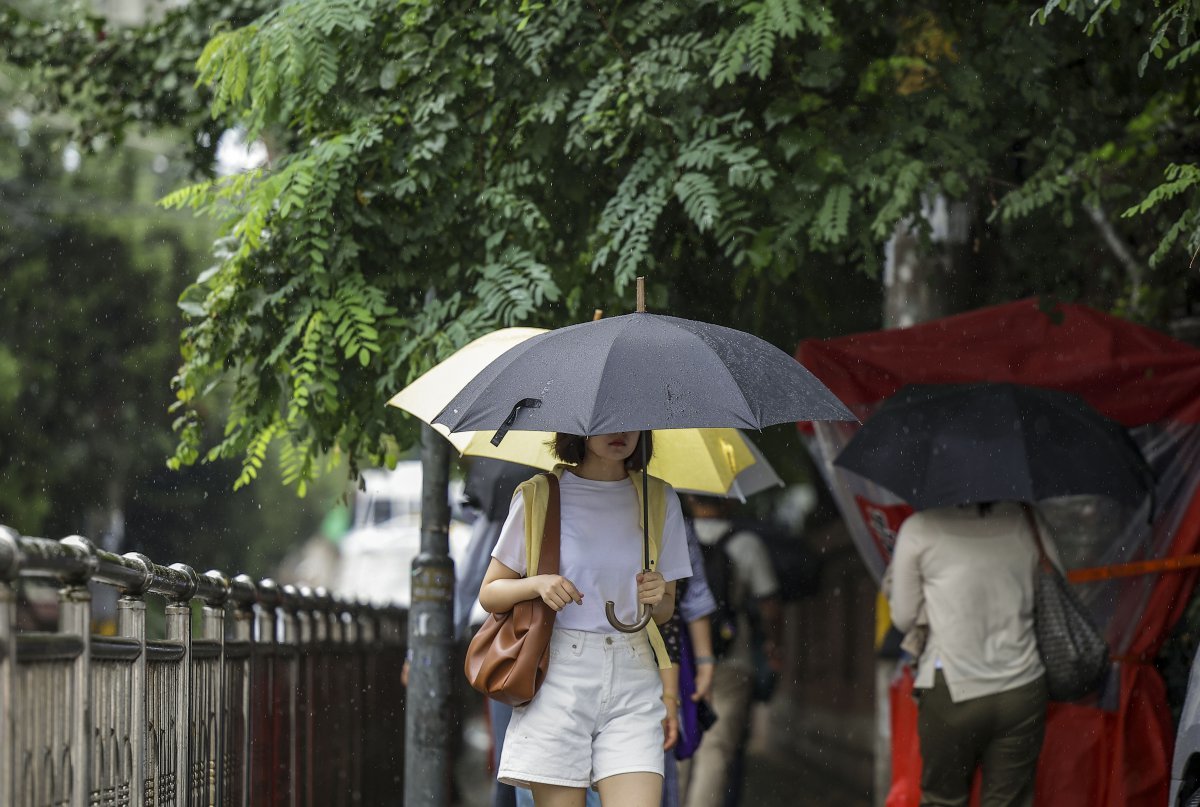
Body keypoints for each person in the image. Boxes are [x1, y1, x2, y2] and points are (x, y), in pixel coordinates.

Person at [479, 431, 693, 807]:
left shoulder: (659, 498)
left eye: (631, 420)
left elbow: (665, 610)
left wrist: (658, 595)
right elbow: (490, 592)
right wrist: (538, 585)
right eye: (607, 420)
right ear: (579, 427)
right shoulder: (539, 495)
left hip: (633, 673)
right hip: (558, 674)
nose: (621, 432)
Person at [888, 502, 1062, 807]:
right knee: (1009, 801)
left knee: (943, 799)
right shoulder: (1025, 518)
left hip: (952, 688)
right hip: (1022, 687)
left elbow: (904, 617)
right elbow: (1057, 583)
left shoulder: (920, 528)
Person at [679, 496, 783, 807]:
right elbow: (770, 604)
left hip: (681, 659)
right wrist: (772, 642)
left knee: (679, 749)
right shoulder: (747, 543)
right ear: (729, 500)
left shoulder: (673, 534)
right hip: (731, 658)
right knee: (716, 750)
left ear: (689, 498)